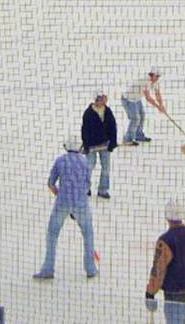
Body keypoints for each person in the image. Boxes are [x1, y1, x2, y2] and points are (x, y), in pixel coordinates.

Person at [33, 137, 98, 280]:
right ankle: (91, 269)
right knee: (88, 234)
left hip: (62, 202)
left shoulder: (60, 161)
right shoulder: (85, 162)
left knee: (52, 234)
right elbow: (88, 185)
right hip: (81, 204)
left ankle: (48, 269)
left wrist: (59, 194)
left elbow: (51, 183)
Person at [145, 201, 185, 324]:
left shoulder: (165, 241)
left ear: (167, 217)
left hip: (174, 294)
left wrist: (150, 292)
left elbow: (158, 270)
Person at [81, 94, 117, 199]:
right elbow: (85, 130)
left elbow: (113, 127)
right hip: (91, 145)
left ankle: (103, 190)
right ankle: (85, 188)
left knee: (106, 167)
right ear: (97, 100)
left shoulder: (108, 111)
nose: (104, 102)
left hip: (105, 144)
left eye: (105, 99)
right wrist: (86, 145)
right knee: (89, 166)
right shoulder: (88, 113)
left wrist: (112, 142)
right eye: (102, 99)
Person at [121, 68, 162, 146]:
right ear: (152, 75)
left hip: (137, 98)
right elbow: (148, 98)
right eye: (156, 76)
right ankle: (127, 139)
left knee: (142, 116)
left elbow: (157, 94)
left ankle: (138, 135)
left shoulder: (155, 82)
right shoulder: (144, 81)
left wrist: (161, 105)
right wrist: (158, 107)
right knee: (135, 118)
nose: (157, 78)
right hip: (128, 99)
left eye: (158, 76)